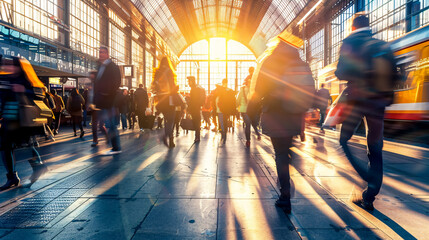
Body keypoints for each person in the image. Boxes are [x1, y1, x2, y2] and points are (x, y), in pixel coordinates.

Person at [335, 15, 397, 211]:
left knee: (344, 139)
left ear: (353, 26)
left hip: (357, 100)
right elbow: (394, 75)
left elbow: (340, 72)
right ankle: (369, 196)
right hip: (378, 103)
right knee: (375, 146)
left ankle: (367, 176)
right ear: (369, 26)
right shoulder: (382, 45)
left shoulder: (350, 42)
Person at [247, 38, 315, 213]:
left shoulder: (270, 61)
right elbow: (310, 90)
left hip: (275, 113)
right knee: (286, 150)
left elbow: (260, 89)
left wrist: (251, 108)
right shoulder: (301, 63)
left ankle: (285, 196)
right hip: (294, 114)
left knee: (280, 154)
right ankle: (286, 169)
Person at [0, 56, 48, 190]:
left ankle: (38, 166)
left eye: (11, 65)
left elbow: (40, 95)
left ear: (18, 67)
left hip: (22, 119)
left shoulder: (26, 80)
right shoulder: (5, 78)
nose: (8, 67)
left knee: (26, 145)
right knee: (5, 147)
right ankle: (12, 176)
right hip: (8, 118)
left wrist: (23, 91)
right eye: (6, 64)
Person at [93, 46, 122, 154]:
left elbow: (117, 81)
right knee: (108, 124)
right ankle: (114, 146)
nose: (101, 54)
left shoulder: (112, 66)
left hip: (109, 100)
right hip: (103, 101)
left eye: (103, 52)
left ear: (107, 54)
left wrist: (108, 93)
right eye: (100, 52)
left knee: (110, 124)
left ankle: (116, 147)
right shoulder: (101, 66)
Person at [151, 56, 179, 148]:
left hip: (160, 100)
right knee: (170, 120)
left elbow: (153, 86)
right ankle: (166, 136)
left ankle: (171, 142)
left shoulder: (157, 72)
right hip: (169, 99)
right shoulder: (169, 71)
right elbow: (172, 85)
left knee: (167, 119)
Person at [236, 75, 261, 148]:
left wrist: (237, 106)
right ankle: (258, 134)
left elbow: (238, 99)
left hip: (244, 110)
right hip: (253, 109)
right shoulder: (254, 91)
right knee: (253, 123)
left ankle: (248, 141)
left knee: (248, 125)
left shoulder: (242, 90)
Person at [215, 78, 236, 144]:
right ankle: (223, 133)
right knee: (224, 123)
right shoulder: (228, 91)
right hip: (225, 110)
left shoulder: (221, 91)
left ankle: (223, 134)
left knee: (221, 123)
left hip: (221, 110)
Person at [187, 76, 206, 142]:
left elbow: (193, 100)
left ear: (192, 81)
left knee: (196, 122)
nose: (188, 82)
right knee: (196, 122)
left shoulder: (194, 89)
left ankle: (197, 137)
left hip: (194, 108)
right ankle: (197, 137)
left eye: (189, 81)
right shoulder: (196, 88)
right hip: (196, 108)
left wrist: (189, 108)